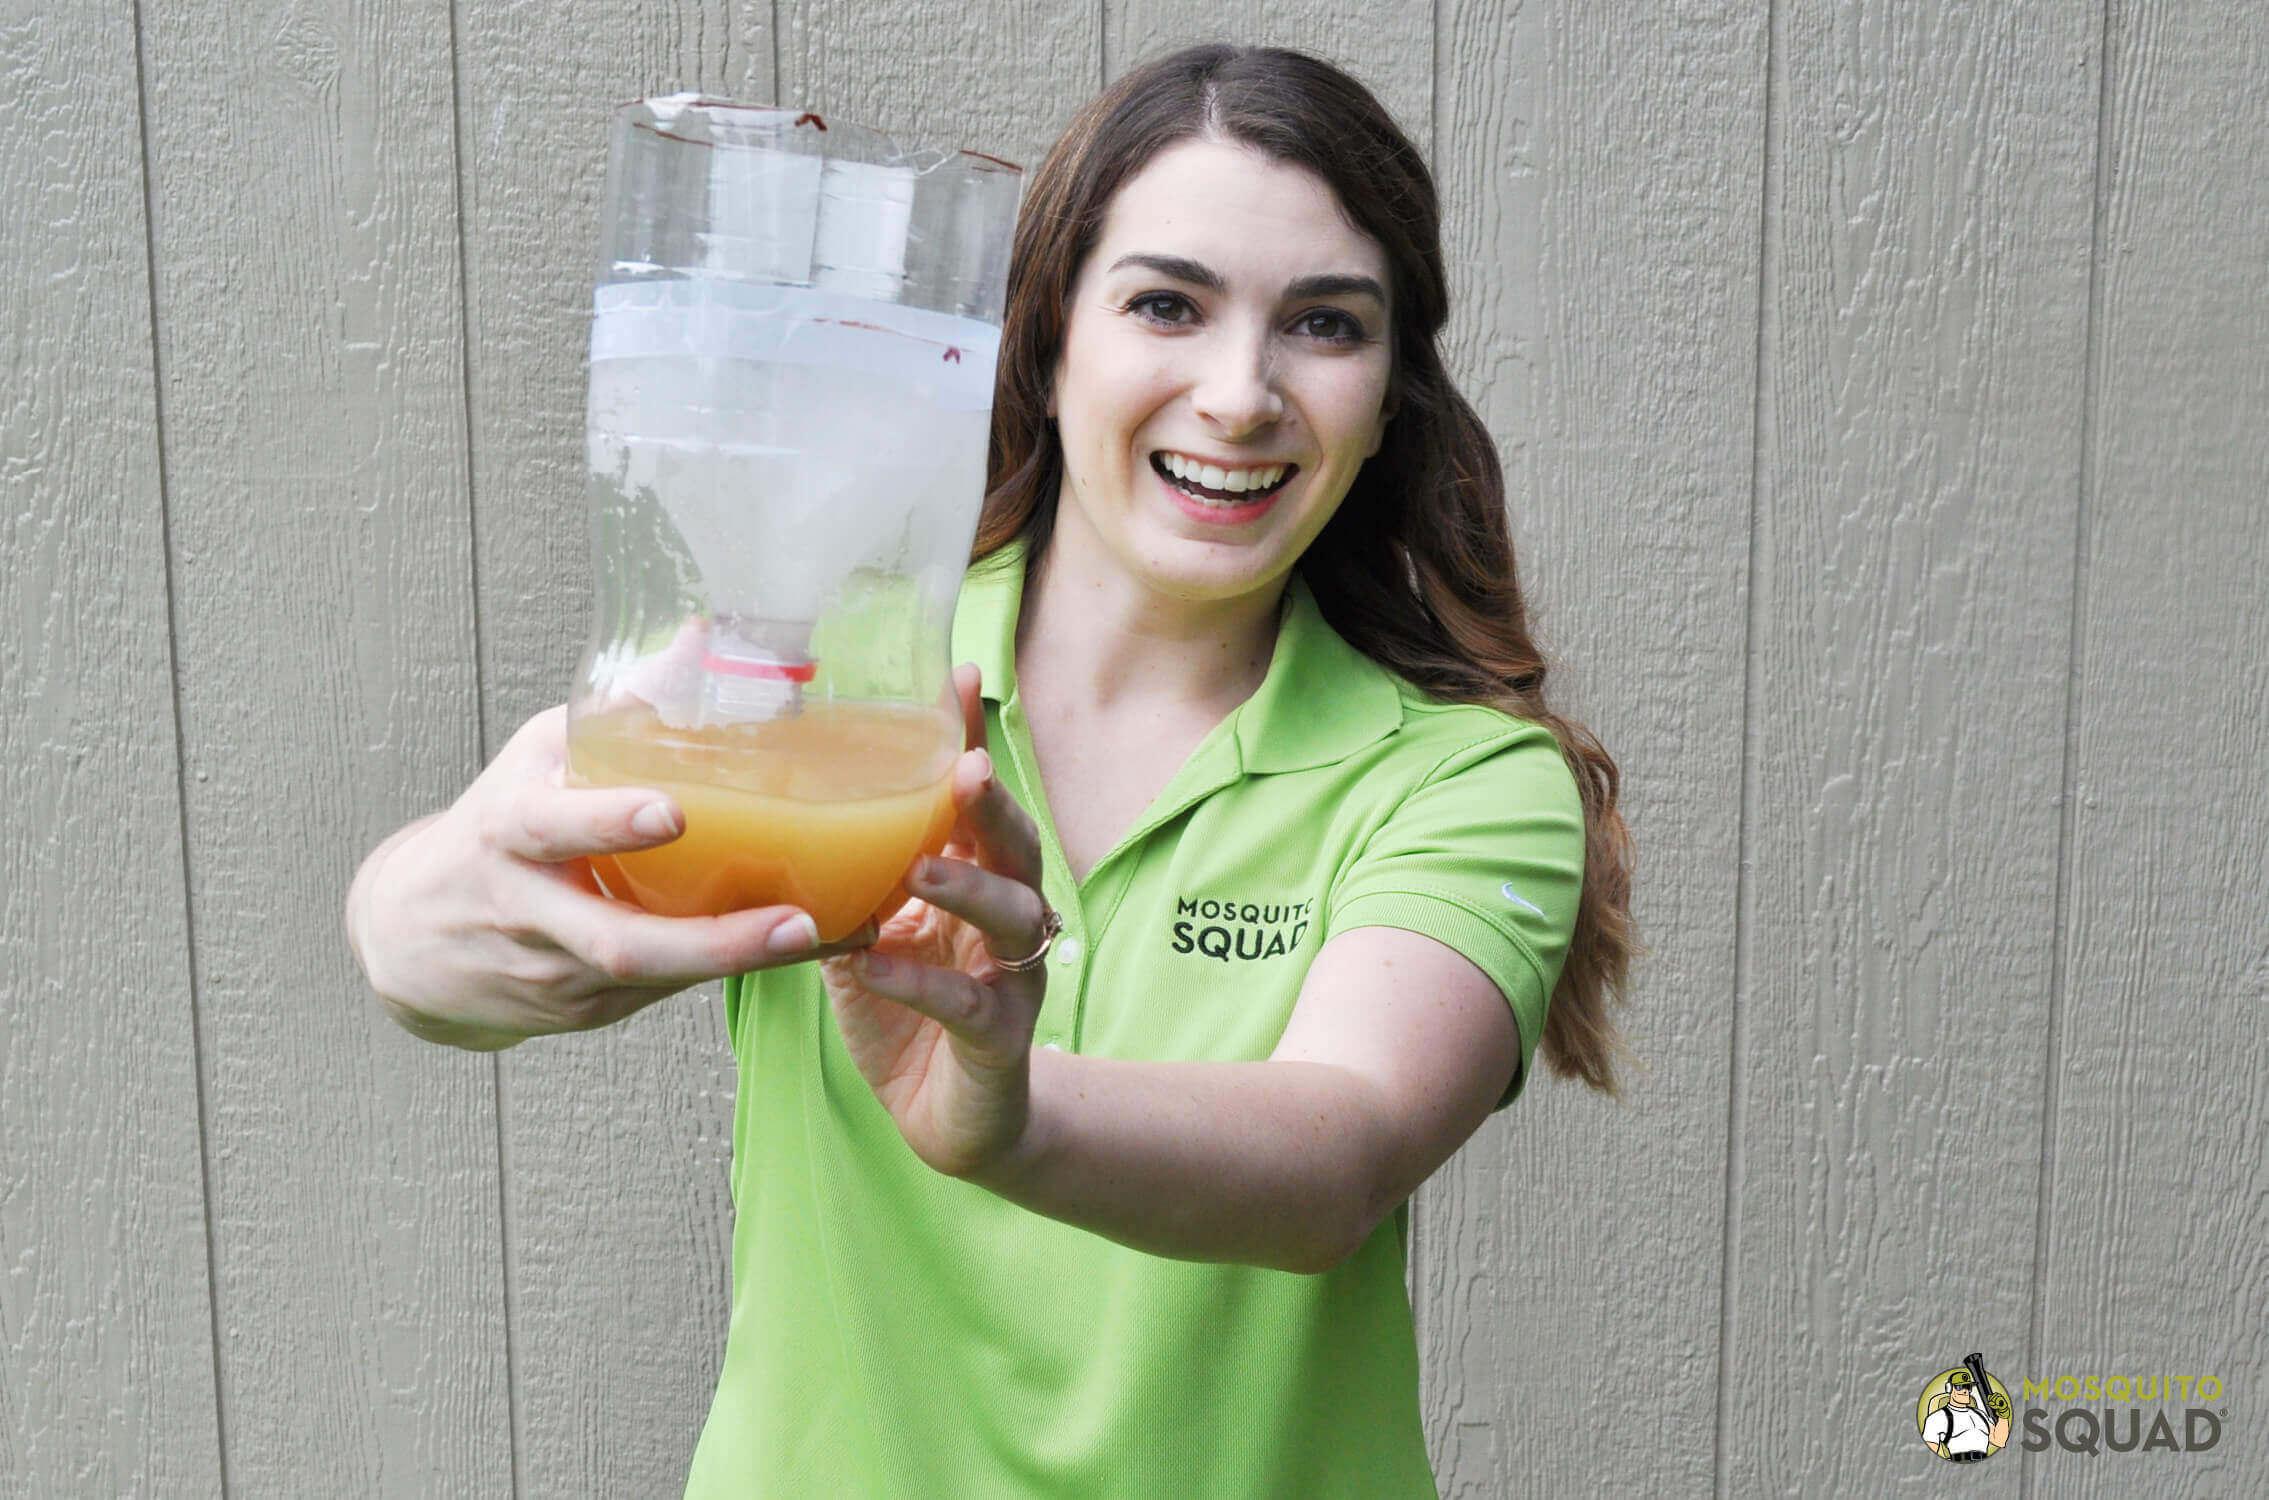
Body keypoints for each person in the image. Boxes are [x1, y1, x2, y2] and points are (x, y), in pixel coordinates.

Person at [347, 42, 1638, 1497]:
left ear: (1391, 388)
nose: (1237, 395)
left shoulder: (1459, 778)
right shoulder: (821, 678)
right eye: (1165, 304)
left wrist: (1008, 1116)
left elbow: (1334, 1153)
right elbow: (447, 926)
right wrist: (423, 926)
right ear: (1048, 335)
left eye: (1323, 325)